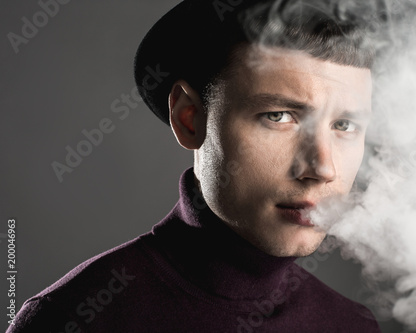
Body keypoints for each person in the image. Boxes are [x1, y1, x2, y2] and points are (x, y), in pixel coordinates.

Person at [8, 0, 381, 332]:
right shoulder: (72, 317)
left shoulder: (352, 325)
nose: (322, 168)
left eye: (344, 126)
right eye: (278, 115)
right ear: (189, 118)